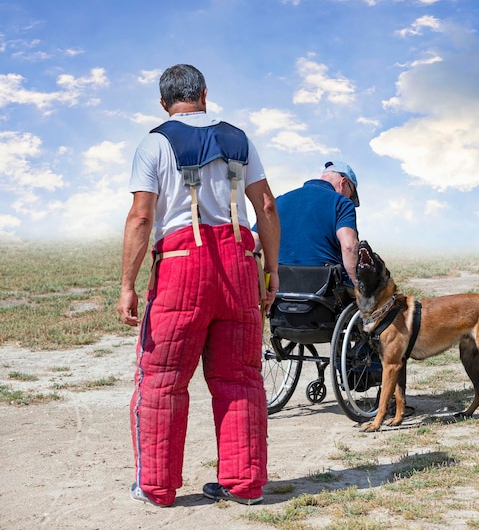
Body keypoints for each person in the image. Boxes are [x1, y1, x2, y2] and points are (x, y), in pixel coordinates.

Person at [117, 64, 280, 507]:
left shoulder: (154, 142)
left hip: (180, 266)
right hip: (239, 264)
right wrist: (273, 271)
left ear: (163, 103)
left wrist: (127, 283)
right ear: (205, 94)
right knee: (240, 378)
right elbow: (264, 204)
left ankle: (156, 487)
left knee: (163, 380)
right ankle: (244, 484)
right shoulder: (239, 138)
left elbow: (142, 216)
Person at [269, 161, 359, 284]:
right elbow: (349, 247)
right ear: (343, 183)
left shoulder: (279, 201)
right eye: (351, 193)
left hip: (280, 292)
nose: (349, 198)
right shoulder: (341, 202)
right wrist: (358, 286)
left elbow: (254, 242)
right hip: (325, 294)